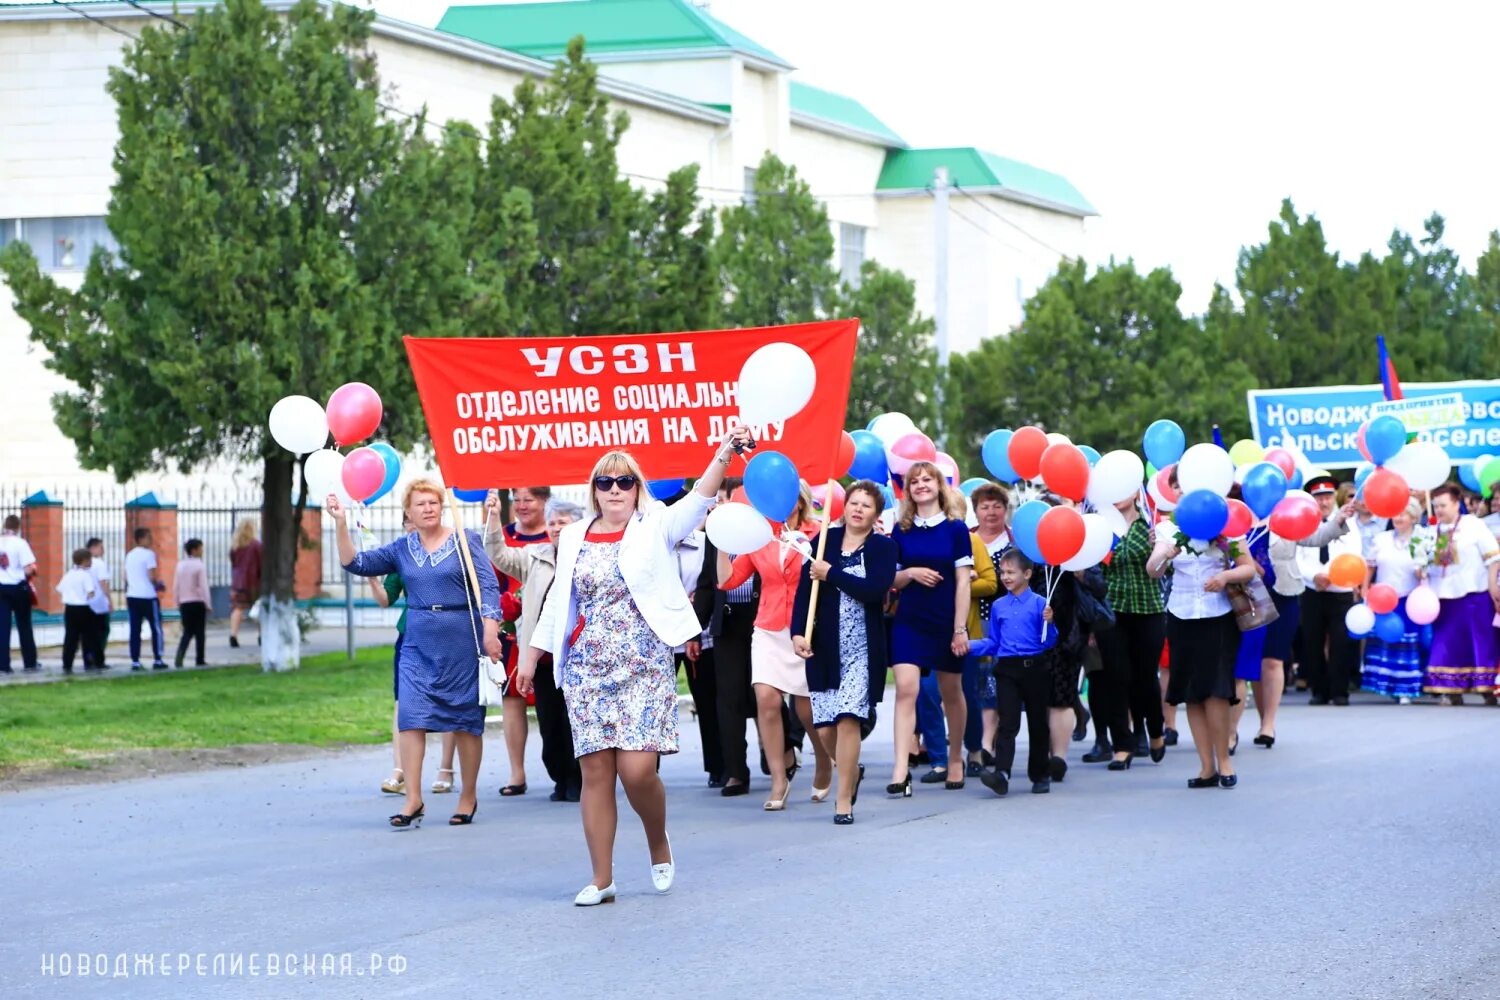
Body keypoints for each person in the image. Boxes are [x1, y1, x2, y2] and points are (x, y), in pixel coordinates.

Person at [523, 425, 749, 906]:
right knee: (597, 773)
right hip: (588, 668)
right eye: (605, 482)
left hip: (644, 664)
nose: (615, 490)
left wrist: (725, 453)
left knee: (638, 770)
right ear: (594, 491)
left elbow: (701, 497)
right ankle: (602, 879)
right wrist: (533, 653)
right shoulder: (574, 538)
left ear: (637, 487)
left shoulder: (656, 524)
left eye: (624, 481)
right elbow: (559, 601)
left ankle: (657, 840)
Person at [333, 479, 503, 830]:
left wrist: (490, 629)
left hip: (462, 638)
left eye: (433, 502)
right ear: (408, 512)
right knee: (410, 717)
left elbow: (488, 586)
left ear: (441, 507)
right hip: (417, 643)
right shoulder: (401, 548)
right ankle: (413, 797)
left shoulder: (465, 539)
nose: (428, 508)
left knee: (465, 721)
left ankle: (468, 795)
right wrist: (339, 523)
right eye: (420, 503)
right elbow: (356, 562)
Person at [717, 482, 834, 810]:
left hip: (806, 628)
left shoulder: (819, 533)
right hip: (768, 628)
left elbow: (831, 577)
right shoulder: (760, 535)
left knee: (806, 708)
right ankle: (779, 779)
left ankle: (824, 760)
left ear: (799, 501)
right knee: (766, 700)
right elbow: (728, 581)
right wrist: (722, 544)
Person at [791, 480, 897, 824]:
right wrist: (797, 633)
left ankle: (843, 801)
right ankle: (851, 769)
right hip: (824, 648)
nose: (858, 509)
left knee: (848, 717)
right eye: (854, 502)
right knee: (825, 729)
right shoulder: (823, 541)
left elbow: (874, 591)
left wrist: (832, 573)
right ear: (844, 506)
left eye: (866, 505)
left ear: (875, 514)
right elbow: (805, 593)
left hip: (862, 649)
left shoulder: (883, 548)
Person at [1148, 514, 1256, 789]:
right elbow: (1153, 570)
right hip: (1181, 615)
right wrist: (1166, 554)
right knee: (1192, 693)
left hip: (1218, 614)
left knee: (1217, 690)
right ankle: (1206, 767)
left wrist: (1224, 576)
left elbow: (1248, 568)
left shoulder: (1225, 522)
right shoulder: (1168, 527)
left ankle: (1224, 761)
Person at [488, 497, 585, 803]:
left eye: (563, 523)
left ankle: (579, 780)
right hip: (543, 659)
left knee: (576, 722)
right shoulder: (535, 556)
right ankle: (559, 776)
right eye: (553, 523)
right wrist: (493, 517)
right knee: (550, 721)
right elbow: (499, 555)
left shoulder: (589, 555)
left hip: (580, 659)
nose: (556, 528)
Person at [887, 461, 973, 794]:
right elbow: (891, 579)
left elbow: (963, 583)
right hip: (910, 619)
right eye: (914, 481)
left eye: (928, 479)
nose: (921, 485)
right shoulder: (901, 530)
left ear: (939, 486)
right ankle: (899, 770)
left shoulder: (955, 529)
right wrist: (910, 574)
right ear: (907, 490)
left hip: (946, 620)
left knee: (951, 692)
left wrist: (959, 629)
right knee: (907, 689)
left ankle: (954, 758)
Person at [1258, 494, 1354, 745]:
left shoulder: (1285, 516)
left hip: (1284, 592)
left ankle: (1268, 724)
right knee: (1250, 664)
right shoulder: (1241, 517)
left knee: (1272, 659)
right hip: (1249, 594)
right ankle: (1234, 729)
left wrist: (1338, 519)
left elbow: (1316, 537)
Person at [972, 550, 1058, 796]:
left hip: (1035, 668)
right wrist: (969, 646)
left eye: (1011, 572)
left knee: (1038, 722)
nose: (1005, 577)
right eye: (1002, 572)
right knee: (1007, 722)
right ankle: (1002, 773)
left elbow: (1050, 641)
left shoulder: (1041, 603)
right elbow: (994, 642)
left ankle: (1040, 774)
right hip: (1007, 669)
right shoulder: (999, 606)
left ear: (1027, 574)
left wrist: (1050, 624)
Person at [693, 478, 758, 798]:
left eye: (728, 498)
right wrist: (695, 631)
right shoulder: (714, 536)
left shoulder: (764, 530)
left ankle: (781, 758)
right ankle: (736, 772)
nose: (721, 505)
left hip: (762, 621)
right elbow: (707, 584)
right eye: (717, 499)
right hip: (727, 623)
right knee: (728, 698)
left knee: (765, 696)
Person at [485, 486, 551, 798]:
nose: (523, 506)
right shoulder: (504, 535)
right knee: (512, 699)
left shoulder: (557, 534)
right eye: (518, 500)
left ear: (544, 502)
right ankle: (517, 771)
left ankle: (564, 766)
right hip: (511, 625)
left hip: (547, 630)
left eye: (530, 499)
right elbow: (492, 575)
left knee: (554, 701)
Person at [1095, 494, 1169, 769]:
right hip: (1112, 610)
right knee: (1116, 677)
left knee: (1145, 677)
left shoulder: (1152, 523)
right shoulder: (1102, 526)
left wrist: (1160, 549)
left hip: (1148, 608)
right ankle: (1122, 745)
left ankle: (1156, 730)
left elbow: (1166, 568)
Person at [1422, 483, 1500, 705]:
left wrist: (1494, 586)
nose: (1439, 510)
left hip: (1474, 593)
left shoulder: (1473, 525)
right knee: (1447, 642)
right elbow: (1423, 563)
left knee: (1481, 641)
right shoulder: (1430, 531)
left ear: (1457, 504)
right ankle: (1450, 689)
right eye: (1436, 506)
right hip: (1443, 596)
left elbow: (1493, 558)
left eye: (1443, 505)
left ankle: (1487, 688)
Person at [1297, 477, 1364, 706]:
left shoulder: (1350, 523)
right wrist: (1314, 576)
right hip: (1312, 589)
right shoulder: (1304, 522)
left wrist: (1332, 576)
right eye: (1318, 497)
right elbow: (1297, 557)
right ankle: (1319, 690)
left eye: (1327, 496)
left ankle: (1340, 690)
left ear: (1334, 496)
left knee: (1340, 642)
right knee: (1312, 641)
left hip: (1340, 589)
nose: (1323, 502)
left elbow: (1353, 554)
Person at [670, 511, 723, 789]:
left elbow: (712, 581)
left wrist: (699, 599)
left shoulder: (705, 542)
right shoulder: (651, 545)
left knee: (707, 700)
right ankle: (645, 768)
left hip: (699, 632)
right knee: (653, 703)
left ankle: (718, 766)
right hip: (661, 635)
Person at [1361, 498, 1431, 704]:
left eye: (1403, 514)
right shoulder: (1381, 539)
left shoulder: (1422, 539)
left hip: (1410, 599)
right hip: (1384, 598)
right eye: (1396, 514)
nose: (1398, 518)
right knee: (1386, 640)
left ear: (1414, 517)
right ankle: (1384, 684)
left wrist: (1422, 569)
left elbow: (1425, 571)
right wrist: (1365, 588)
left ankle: (1406, 688)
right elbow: (1370, 566)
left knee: (1410, 643)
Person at [963, 483, 1011, 772]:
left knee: (994, 684)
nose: (991, 512)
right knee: (972, 683)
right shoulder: (965, 540)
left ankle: (986, 744)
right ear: (976, 510)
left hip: (1005, 624)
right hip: (970, 620)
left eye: (997, 506)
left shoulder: (1016, 543)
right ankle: (972, 743)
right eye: (985, 506)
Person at [370, 513, 412, 796]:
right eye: (408, 518)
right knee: (403, 701)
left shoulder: (452, 546)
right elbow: (387, 598)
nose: (413, 523)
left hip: (446, 636)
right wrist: (372, 578)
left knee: (448, 701)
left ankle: (446, 767)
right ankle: (400, 770)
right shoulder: (402, 554)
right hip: (410, 635)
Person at [0, 514, 40, 673]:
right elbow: (28, 568)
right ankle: (30, 662)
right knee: (24, 625)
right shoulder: (20, 543)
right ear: (18, 527)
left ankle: (3, 665)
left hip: (1, 588)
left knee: (3, 627)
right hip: (18, 587)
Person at [124, 527, 167, 671]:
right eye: (149, 537)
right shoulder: (149, 555)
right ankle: (158, 658)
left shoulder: (129, 555)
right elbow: (151, 576)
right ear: (141, 539)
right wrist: (158, 585)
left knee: (135, 629)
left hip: (132, 595)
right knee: (156, 628)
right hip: (148, 596)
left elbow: (125, 576)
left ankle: (135, 660)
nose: (151, 540)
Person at [56, 548, 100, 675]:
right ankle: (89, 662)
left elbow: (60, 589)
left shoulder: (69, 574)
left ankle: (67, 663)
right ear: (85, 561)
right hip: (83, 608)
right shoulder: (85, 575)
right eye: (90, 559)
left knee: (70, 637)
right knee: (87, 637)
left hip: (70, 609)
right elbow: (90, 593)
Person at [173, 538, 209, 668]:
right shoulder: (199, 565)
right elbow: (203, 586)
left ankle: (180, 655)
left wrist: (176, 601)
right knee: (200, 632)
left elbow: (176, 585)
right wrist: (208, 603)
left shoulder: (180, 565)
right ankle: (200, 659)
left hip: (184, 602)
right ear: (194, 550)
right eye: (200, 548)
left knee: (187, 631)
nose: (202, 551)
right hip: (197, 602)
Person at [228, 519, 261, 648]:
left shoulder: (235, 546)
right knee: (259, 608)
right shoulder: (256, 545)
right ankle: (261, 635)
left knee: (238, 608)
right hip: (254, 583)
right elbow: (261, 562)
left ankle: (233, 635)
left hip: (238, 582)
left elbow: (233, 562)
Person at [84, 537, 112, 670]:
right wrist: (110, 600)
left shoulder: (81, 563)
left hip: (86, 604)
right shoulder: (99, 564)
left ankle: (88, 658)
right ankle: (98, 658)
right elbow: (103, 583)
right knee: (103, 631)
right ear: (93, 548)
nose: (103, 550)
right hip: (100, 603)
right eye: (101, 547)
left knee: (88, 633)